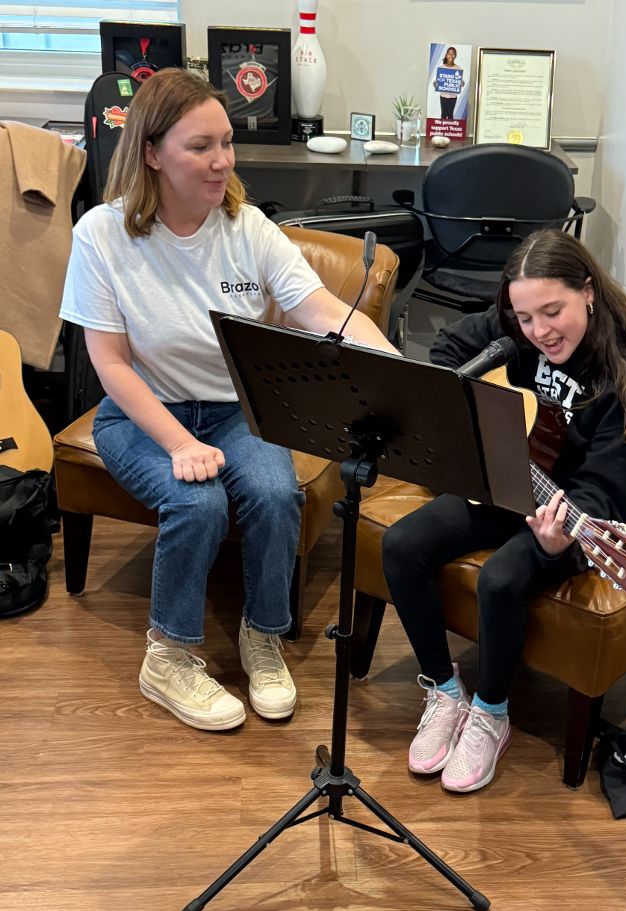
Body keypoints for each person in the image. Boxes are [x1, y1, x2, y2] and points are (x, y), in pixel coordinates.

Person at [59, 68, 396, 733]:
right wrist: (180, 444)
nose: (222, 161)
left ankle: (262, 636)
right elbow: (109, 363)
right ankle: (168, 654)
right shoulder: (102, 236)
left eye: (227, 142)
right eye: (201, 146)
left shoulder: (249, 230)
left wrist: (394, 372)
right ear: (152, 153)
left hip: (234, 409)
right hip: (139, 414)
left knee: (276, 495)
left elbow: (323, 309)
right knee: (196, 499)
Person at [382, 230, 626, 793]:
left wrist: (559, 539)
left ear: (587, 292)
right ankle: (444, 692)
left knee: (501, 578)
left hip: (578, 514)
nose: (538, 332)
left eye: (553, 311)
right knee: (400, 546)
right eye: (524, 318)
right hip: (506, 478)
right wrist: (483, 423)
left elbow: (609, 493)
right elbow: (447, 355)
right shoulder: (514, 326)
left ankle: (491, 713)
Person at [434, 47, 463, 120]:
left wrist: (462, 83)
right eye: (449, 53)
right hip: (443, 95)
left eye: (453, 54)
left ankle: (450, 130)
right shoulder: (441, 68)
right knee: (443, 114)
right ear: (446, 55)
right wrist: (435, 84)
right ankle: (442, 130)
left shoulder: (458, 68)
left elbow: (460, 82)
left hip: (453, 96)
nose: (451, 55)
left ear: (455, 56)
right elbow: (437, 82)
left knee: (450, 115)